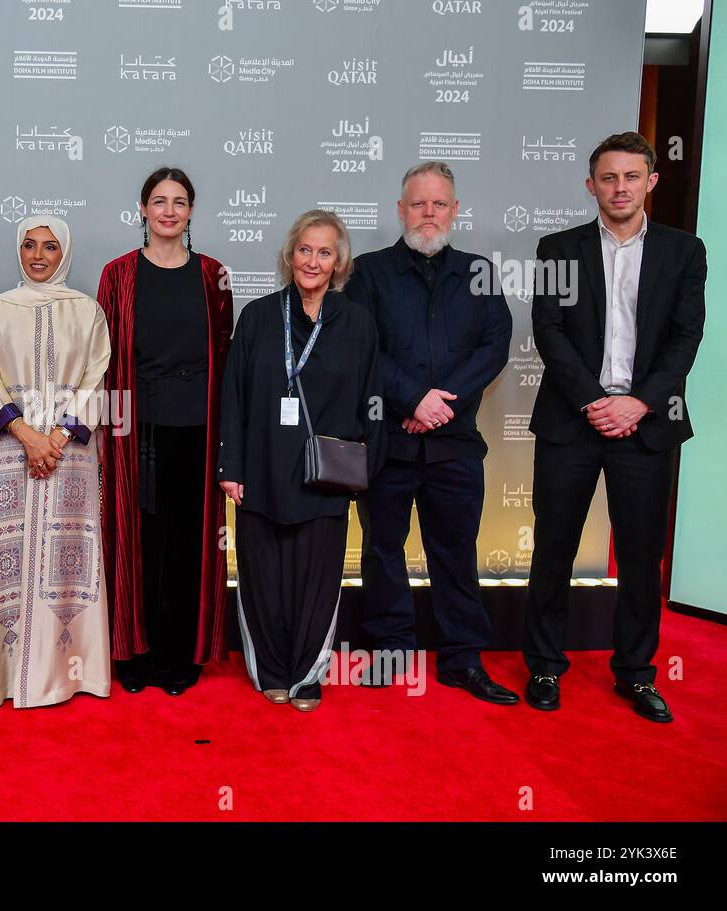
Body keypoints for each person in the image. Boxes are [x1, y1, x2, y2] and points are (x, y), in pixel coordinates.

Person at [524, 132, 705, 723]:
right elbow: (548, 331)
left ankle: (635, 672)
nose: (620, 187)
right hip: (572, 422)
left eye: (631, 176)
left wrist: (639, 404)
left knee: (640, 553)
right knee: (553, 547)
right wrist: (595, 402)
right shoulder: (557, 248)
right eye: (608, 177)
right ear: (591, 185)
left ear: (651, 181)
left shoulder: (684, 251)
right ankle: (545, 665)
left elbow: (686, 338)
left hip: (646, 426)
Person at [345, 162, 518, 705]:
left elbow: (494, 344)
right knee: (382, 551)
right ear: (400, 210)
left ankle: (462, 659)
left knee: (455, 552)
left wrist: (441, 404)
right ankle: (389, 649)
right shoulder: (368, 273)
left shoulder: (479, 272)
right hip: (388, 444)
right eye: (418, 204)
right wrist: (411, 400)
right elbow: (361, 345)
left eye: (438, 204)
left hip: (455, 446)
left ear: (455, 210)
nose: (428, 213)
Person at [219, 210, 384, 710]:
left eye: (325, 252)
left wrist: (365, 469)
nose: (313, 261)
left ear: (339, 263)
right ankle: (270, 668)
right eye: (304, 250)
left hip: (326, 476)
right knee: (262, 571)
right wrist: (231, 469)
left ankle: (308, 673)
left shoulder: (357, 322)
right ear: (290, 257)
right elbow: (234, 396)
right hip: (262, 468)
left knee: (316, 577)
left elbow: (373, 399)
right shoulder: (259, 316)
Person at [97, 166, 233, 696]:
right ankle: (134, 652)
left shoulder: (214, 275)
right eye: (159, 200)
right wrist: (109, 435)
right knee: (136, 545)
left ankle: (181, 655)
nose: (169, 210)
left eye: (179, 201)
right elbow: (101, 360)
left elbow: (226, 354)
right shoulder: (118, 275)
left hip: (198, 429)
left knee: (189, 548)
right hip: (134, 431)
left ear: (192, 210)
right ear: (143, 209)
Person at [0, 216, 112, 709]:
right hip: (9, 449)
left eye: (50, 247)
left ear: (64, 253)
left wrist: (57, 435)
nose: (38, 255)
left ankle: (69, 675)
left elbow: (98, 377)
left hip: (69, 454)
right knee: (3, 558)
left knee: (66, 559)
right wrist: (28, 435)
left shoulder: (87, 311)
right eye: (29, 245)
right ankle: (0, 679)